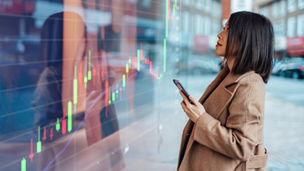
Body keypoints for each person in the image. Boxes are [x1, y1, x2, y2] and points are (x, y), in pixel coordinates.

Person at [177, 11, 274, 171]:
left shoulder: (250, 84)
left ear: (246, 38)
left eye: (227, 30)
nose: (219, 35)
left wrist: (200, 118)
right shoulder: (229, 75)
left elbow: (242, 146)